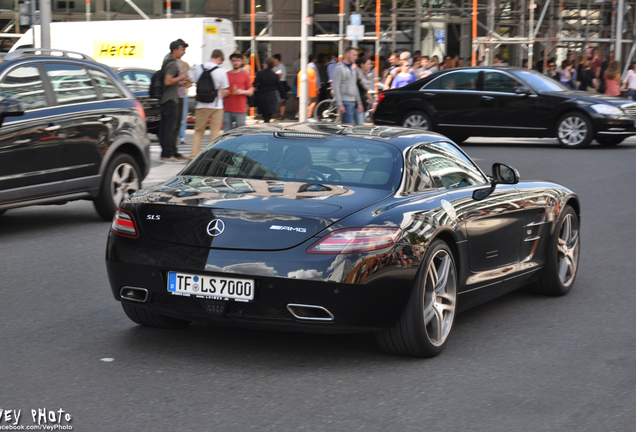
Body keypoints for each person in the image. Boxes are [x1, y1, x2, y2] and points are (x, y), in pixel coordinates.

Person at [191, 49, 230, 160]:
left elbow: (195, 82)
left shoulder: (199, 68)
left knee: (198, 132)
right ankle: (211, 157)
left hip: (200, 105)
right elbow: (223, 90)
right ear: (220, 58)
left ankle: (193, 156)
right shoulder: (221, 71)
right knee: (215, 132)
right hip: (216, 106)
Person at [158, 39, 189, 162]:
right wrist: (181, 77)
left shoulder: (171, 62)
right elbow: (167, 81)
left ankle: (169, 152)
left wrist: (180, 83)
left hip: (169, 99)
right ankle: (167, 154)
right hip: (170, 100)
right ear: (175, 50)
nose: (184, 52)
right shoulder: (172, 64)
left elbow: (171, 82)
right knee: (169, 128)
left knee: (168, 128)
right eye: (182, 50)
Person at [224, 50, 254, 131]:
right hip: (227, 109)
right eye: (234, 60)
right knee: (226, 133)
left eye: (238, 60)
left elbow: (251, 91)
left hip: (240, 109)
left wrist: (242, 92)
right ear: (231, 61)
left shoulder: (245, 75)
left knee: (240, 133)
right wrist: (224, 93)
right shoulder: (226, 75)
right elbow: (221, 91)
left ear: (241, 61)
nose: (236, 63)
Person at [332, 46, 363, 124]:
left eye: (356, 55)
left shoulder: (353, 68)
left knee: (358, 126)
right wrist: (340, 104)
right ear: (347, 54)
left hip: (354, 101)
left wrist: (359, 103)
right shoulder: (339, 68)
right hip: (345, 101)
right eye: (354, 55)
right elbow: (336, 86)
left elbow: (354, 85)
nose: (356, 57)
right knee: (347, 126)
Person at [254, 58, 285, 123]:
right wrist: (283, 96)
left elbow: (254, 83)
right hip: (271, 96)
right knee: (268, 114)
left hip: (262, 95)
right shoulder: (274, 75)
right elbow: (279, 86)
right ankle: (267, 122)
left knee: (264, 114)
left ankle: (266, 123)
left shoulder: (260, 74)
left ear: (266, 64)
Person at [298, 54, 319, 118]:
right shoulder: (312, 68)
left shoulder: (303, 70)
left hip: (304, 89)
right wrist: (317, 87)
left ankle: (301, 114)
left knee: (307, 103)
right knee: (313, 102)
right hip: (312, 88)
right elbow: (315, 78)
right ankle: (308, 115)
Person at [272, 54, 288, 119]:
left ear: (276, 59)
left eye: (273, 59)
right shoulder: (275, 67)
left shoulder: (281, 66)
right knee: (276, 99)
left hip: (281, 84)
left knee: (282, 99)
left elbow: (279, 76)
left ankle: (282, 115)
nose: (272, 60)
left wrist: (274, 75)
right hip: (276, 84)